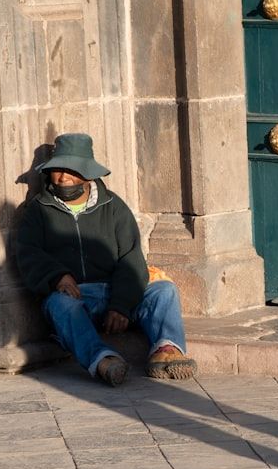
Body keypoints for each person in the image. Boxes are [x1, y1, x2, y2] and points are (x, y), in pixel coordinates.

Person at [15, 133, 197, 386]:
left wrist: (121, 304)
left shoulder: (114, 207)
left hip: (115, 290)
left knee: (164, 291)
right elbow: (28, 253)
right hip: (77, 296)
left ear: (88, 175)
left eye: (72, 170)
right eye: (58, 170)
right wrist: (56, 276)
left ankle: (166, 349)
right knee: (59, 305)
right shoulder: (37, 211)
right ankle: (102, 359)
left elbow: (130, 257)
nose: (63, 177)